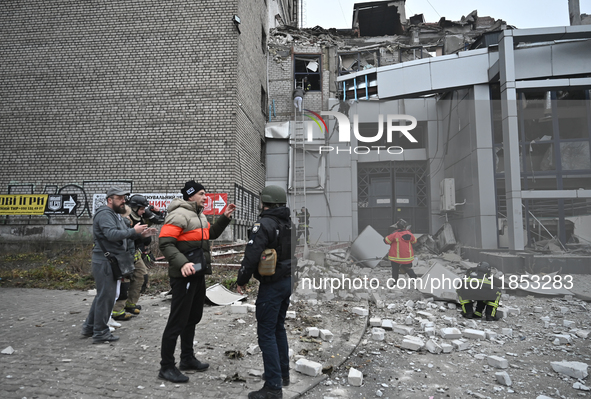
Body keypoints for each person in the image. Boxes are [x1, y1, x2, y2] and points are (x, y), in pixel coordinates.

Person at [157, 180, 236, 383]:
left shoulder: (198, 216)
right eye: (201, 194)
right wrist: (182, 263)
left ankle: (187, 358)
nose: (205, 197)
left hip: (198, 274)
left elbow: (210, 234)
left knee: (192, 318)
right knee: (177, 321)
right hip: (184, 276)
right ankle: (166, 367)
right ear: (191, 195)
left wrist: (224, 218)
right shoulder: (179, 214)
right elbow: (165, 243)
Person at [236, 185, 295, 399]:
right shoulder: (289, 223)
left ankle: (273, 387)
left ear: (265, 202)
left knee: (266, 334)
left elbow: (251, 256)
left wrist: (241, 280)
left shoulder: (264, 224)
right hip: (287, 281)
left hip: (271, 285)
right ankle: (282, 375)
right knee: (278, 327)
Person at [81, 187, 150, 343]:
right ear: (110, 200)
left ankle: (89, 327)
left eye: (124, 198)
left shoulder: (115, 215)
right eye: (119, 198)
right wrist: (133, 231)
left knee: (103, 296)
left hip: (111, 260)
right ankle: (100, 332)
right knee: (106, 297)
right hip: (105, 261)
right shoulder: (105, 214)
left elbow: (123, 235)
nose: (123, 201)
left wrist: (140, 234)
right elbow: (111, 235)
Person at [111, 195, 163, 321]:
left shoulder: (141, 216)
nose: (144, 211)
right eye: (141, 209)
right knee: (125, 281)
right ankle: (117, 310)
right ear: (134, 208)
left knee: (141, 276)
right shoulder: (125, 218)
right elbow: (123, 237)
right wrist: (139, 235)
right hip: (124, 254)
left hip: (135, 252)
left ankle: (130, 303)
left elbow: (160, 220)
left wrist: (157, 212)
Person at [384, 219, 418, 283]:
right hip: (407, 257)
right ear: (405, 227)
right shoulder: (409, 234)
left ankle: (395, 282)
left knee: (395, 269)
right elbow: (415, 241)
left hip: (396, 257)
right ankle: (415, 281)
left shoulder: (395, 234)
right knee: (408, 268)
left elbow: (386, 241)